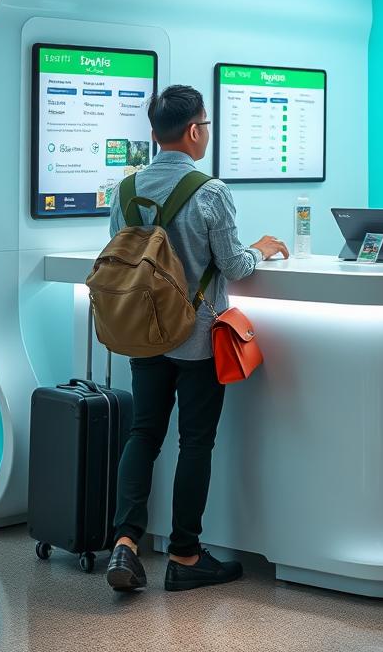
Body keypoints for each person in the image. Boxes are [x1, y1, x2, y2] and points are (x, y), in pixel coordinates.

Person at [105, 85, 288, 594]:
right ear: (193, 131)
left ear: (153, 132)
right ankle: (185, 554)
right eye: (205, 125)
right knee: (195, 441)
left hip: (142, 334)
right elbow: (233, 265)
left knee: (143, 434)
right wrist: (261, 249)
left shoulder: (123, 191)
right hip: (198, 338)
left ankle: (125, 542)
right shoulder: (210, 191)